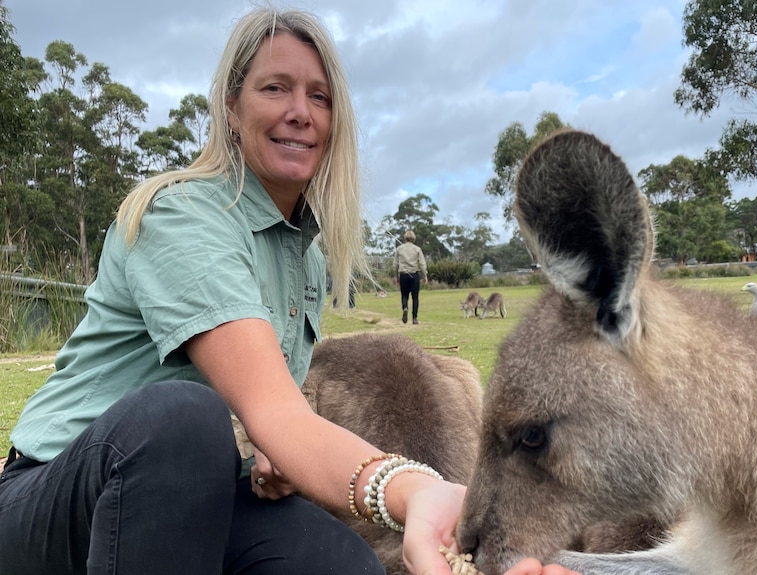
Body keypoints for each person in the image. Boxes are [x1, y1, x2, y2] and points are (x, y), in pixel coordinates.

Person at [0, 8, 579, 575]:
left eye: (319, 97)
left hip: (199, 498)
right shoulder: (182, 216)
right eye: (275, 88)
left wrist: (270, 454)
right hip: (61, 496)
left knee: (341, 561)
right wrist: (415, 488)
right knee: (179, 418)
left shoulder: (307, 253)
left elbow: (278, 412)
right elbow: (271, 409)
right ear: (231, 107)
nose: (300, 113)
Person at [395, 229, 428, 324]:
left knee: (404, 295)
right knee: (415, 297)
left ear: (405, 238)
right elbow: (422, 263)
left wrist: (395, 276)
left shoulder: (399, 249)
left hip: (403, 275)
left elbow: (395, 264)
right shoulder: (417, 249)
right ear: (413, 238)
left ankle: (405, 307)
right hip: (414, 275)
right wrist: (425, 275)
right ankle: (414, 318)